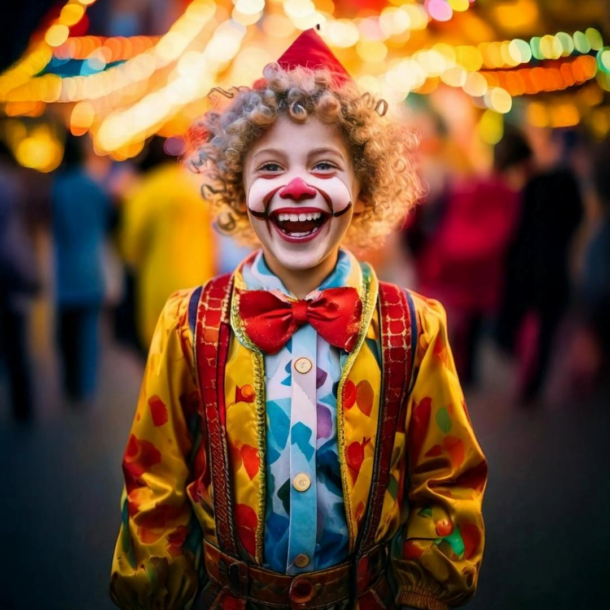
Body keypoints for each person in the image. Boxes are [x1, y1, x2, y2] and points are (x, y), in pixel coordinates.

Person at [110, 30, 487, 610]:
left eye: (324, 164)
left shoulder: (414, 326)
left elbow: (447, 478)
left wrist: (423, 591)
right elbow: (154, 481)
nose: (295, 186)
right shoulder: (188, 324)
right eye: (270, 167)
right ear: (238, 186)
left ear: (363, 189)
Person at [51, 135, 111, 401]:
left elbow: (57, 229)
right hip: (92, 269)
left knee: (66, 333)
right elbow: (108, 223)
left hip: (65, 271)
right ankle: (86, 386)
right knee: (88, 333)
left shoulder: (58, 188)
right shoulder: (94, 187)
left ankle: (70, 382)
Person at [0, 140, 39, 421]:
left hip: (9, 272)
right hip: (11, 275)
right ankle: (23, 408)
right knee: (16, 345)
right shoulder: (13, 183)